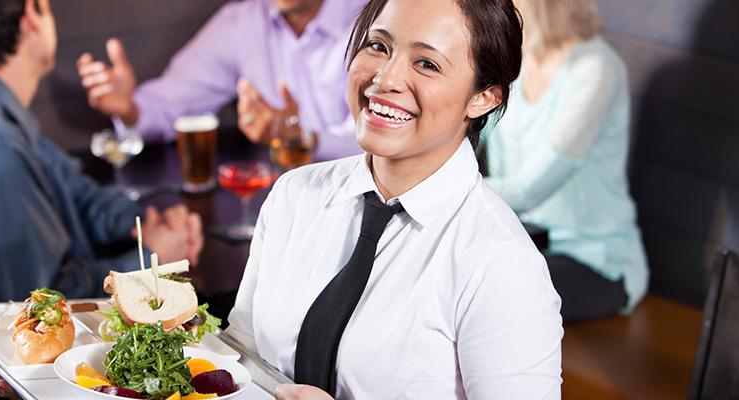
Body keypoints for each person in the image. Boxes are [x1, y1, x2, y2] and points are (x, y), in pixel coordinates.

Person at [226, 0, 563, 398]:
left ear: (484, 98)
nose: (385, 78)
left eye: (427, 64)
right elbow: (241, 358)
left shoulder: (501, 262)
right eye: (378, 46)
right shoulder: (294, 195)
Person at [0, 0, 203, 398]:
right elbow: (40, 300)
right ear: (30, 17)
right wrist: (145, 266)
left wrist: (147, 221)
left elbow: (76, 192)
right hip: (14, 380)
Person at [482, 0, 648, 321]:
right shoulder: (514, 56)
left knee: (493, 299)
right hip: (523, 243)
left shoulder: (595, 69)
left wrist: (441, 190)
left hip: (593, 258)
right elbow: (470, 142)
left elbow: (530, 190)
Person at [76, 0, 368, 161]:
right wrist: (129, 109)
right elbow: (172, 104)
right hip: (287, 198)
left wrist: (300, 139)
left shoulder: (375, 17)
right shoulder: (242, 22)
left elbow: (387, 137)